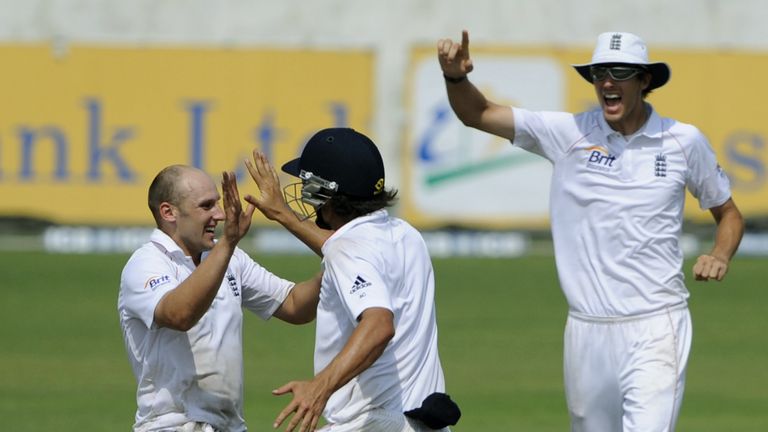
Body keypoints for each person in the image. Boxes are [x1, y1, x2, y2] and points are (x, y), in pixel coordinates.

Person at [437, 30, 744, 431]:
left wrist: (719, 255)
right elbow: (478, 114)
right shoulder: (567, 133)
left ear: (644, 80)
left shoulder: (684, 141)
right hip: (586, 330)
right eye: (599, 72)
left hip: (657, 323)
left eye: (620, 72)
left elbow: (729, 213)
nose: (607, 82)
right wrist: (455, 78)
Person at [242, 128, 461, 432]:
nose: (303, 190)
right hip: (424, 423)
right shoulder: (406, 235)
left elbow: (379, 325)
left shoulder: (348, 251)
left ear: (327, 193)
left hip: (373, 423)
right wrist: (284, 215)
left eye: (308, 183)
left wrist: (320, 388)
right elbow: (346, 251)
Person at [118, 165, 322, 432]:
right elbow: (180, 315)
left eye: (218, 203)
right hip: (170, 426)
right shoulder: (146, 263)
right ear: (169, 212)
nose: (220, 214)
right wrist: (228, 243)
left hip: (229, 426)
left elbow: (295, 305)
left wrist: (337, 263)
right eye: (206, 206)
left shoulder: (230, 258)